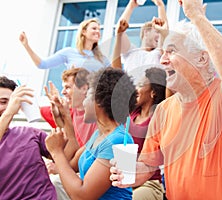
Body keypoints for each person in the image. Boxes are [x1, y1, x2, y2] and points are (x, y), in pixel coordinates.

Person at [110, 0, 222, 199]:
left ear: (202, 59)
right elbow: (149, 164)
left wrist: (196, 15)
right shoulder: (162, 111)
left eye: (171, 51)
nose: (162, 60)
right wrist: (133, 172)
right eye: (163, 53)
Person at [45, 67, 137, 199]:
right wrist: (65, 117)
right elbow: (70, 166)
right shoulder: (99, 135)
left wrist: (56, 152)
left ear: (99, 101)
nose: (84, 102)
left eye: (88, 96)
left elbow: (83, 195)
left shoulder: (118, 139)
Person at [0, 76, 57, 199]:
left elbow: (67, 158)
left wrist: (63, 121)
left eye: (8, 102)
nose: (3, 107)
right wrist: (8, 113)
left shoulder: (31, 134)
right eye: (2, 102)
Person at [129, 67, 166, 200]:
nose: (135, 89)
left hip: (149, 184)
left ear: (153, 92)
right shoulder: (132, 113)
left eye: (140, 85)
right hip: (125, 179)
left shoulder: (158, 118)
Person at [19, 18, 110, 71]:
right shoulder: (69, 52)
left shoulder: (103, 59)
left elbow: (115, 79)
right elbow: (42, 64)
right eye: (94, 28)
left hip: (95, 101)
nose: (98, 31)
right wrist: (26, 46)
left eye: (99, 29)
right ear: (84, 32)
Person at [113, 0, 168, 85]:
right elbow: (120, 31)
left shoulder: (159, 54)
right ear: (146, 32)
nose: (159, 35)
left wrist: (160, 5)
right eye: (157, 31)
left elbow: (165, 32)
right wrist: (131, 5)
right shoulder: (130, 52)